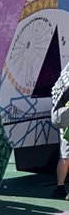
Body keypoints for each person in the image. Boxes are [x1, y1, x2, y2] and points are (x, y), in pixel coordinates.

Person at [50, 59, 69, 205]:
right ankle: (60, 188)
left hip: (59, 114)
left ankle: (60, 187)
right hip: (66, 115)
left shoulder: (65, 72)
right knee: (65, 155)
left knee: (65, 154)